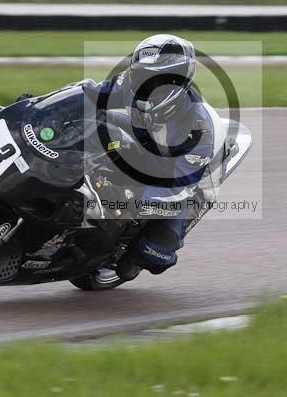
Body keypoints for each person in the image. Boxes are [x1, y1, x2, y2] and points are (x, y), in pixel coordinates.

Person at [92, 34, 221, 280]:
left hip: (187, 182)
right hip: (148, 143)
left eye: (158, 80)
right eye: (142, 76)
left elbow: (179, 188)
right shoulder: (129, 84)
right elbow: (91, 93)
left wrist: (128, 202)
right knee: (91, 124)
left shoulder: (199, 127)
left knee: (153, 254)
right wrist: (44, 105)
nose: (147, 86)